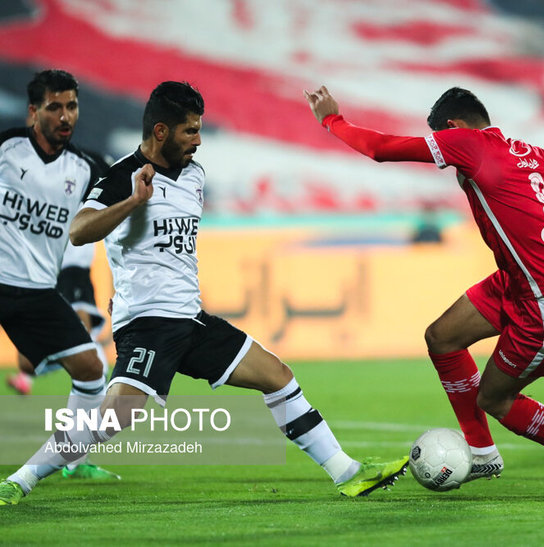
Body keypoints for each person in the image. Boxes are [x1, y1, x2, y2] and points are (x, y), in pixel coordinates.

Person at [0, 81, 408, 506]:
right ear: (161, 131)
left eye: (198, 129)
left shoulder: (194, 175)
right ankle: (20, 480)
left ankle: (347, 472)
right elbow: (80, 230)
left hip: (191, 320)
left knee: (279, 377)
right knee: (117, 414)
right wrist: (132, 203)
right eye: (189, 131)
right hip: (148, 323)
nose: (197, 139)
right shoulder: (123, 176)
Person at [304, 84, 544, 498]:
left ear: (454, 127)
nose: (441, 154)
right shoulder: (542, 158)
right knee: (442, 338)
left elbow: (382, 148)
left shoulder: (467, 144)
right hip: (518, 281)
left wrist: (333, 121)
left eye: (440, 136)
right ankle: (481, 452)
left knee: (496, 399)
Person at [0, 69, 116, 482]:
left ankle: (67, 461)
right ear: (34, 112)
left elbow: (123, 209)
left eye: (72, 106)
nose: (65, 116)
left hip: (36, 292)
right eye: (55, 107)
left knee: (91, 369)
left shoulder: (87, 169)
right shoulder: (7, 148)